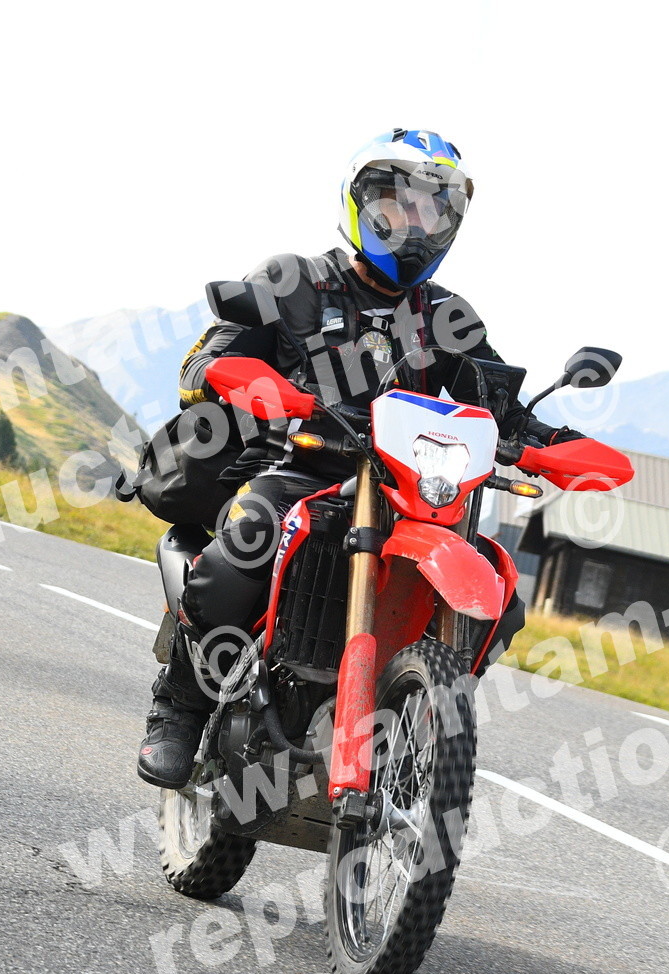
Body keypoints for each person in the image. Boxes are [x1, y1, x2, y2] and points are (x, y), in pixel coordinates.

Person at [138, 129, 586, 789]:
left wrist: (559, 444)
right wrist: (250, 381)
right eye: (398, 203)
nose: (414, 222)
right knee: (251, 536)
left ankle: (414, 709)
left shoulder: (446, 316)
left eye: (431, 209)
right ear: (363, 202)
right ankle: (179, 707)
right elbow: (203, 362)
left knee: (500, 590)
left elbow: (499, 404)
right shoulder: (295, 281)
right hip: (297, 469)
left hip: (405, 491)